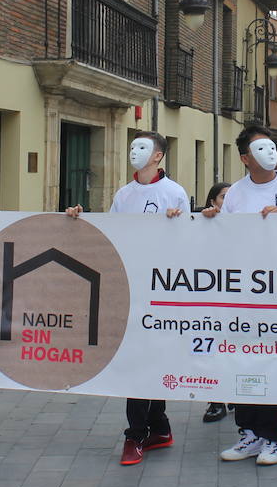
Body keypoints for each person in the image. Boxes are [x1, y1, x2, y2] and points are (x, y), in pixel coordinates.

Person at [67, 131, 188, 466]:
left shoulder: (175, 193)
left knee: (154, 359)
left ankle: (151, 429)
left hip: (162, 290)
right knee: (137, 359)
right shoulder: (124, 194)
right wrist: (80, 220)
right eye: (132, 146)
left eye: (142, 147)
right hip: (131, 287)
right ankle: (143, 431)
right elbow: (111, 235)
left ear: (158, 156)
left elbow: (187, 243)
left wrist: (178, 226)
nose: (134, 151)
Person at [205, 125, 277, 466]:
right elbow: (223, 240)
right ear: (244, 158)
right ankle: (249, 433)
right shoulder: (236, 194)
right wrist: (210, 220)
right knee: (244, 360)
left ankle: (274, 437)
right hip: (244, 294)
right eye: (259, 148)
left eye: (271, 146)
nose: (269, 153)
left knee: (275, 362)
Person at [200, 181, 234, 425]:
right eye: (223, 197)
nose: (228, 202)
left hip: (237, 301)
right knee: (212, 349)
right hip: (211, 301)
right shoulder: (202, 225)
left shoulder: (246, 224)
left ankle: (235, 394)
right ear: (212, 201)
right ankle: (215, 400)